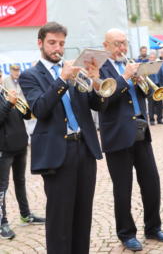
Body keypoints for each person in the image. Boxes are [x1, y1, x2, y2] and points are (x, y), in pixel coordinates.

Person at [19, 22, 107, 254]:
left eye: (61, 44)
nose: (57, 48)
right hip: (58, 153)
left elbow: (97, 104)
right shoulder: (30, 75)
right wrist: (61, 80)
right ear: (40, 43)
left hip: (85, 149)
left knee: (82, 215)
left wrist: (96, 80)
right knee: (59, 219)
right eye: (52, 43)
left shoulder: (74, 71)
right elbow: (40, 109)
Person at [98, 28, 163, 252]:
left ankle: (153, 227)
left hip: (141, 131)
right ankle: (126, 233)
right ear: (106, 45)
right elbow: (103, 101)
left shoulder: (134, 65)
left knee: (151, 182)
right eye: (117, 43)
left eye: (124, 43)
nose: (122, 48)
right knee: (123, 189)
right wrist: (125, 77)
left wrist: (143, 81)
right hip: (117, 135)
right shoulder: (100, 69)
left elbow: (148, 95)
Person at [0, 80, 45, 240]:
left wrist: (22, 104)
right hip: (3, 150)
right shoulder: (6, 100)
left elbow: (26, 115)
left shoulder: (6, 94)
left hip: (20, 145)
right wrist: (8, 104)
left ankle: (25, 215)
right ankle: (2, 222)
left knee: (20, 182)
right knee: (1, 188)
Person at [148, 50, 163, 125]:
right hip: (150, 87)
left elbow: (162, 75)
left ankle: (160, 119)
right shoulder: (146, 66)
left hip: (158, 86)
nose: (152, 59)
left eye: (154, 58)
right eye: (151, 57)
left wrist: (162, 85)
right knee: (151, 104)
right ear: (149, 58)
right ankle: (151, 120)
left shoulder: (158, 65)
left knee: (160, 104)